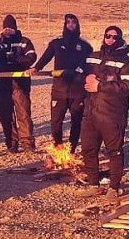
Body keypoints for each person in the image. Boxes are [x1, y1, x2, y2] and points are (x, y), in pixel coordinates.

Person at [76, 26, 129, 199]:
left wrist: (100, 86)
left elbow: (127, 87)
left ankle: (114, 188)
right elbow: (78, 74)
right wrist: (84, 78)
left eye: (114, 37)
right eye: (107, 36)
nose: (110, 39)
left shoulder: (125, 62)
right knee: (88, 149)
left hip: (112, 114)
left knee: (114, 151)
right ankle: (93, 184)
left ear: (120, 39)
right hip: (91, 113)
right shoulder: (92, 57)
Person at [29, 14, 92, 153]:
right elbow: (46, 57)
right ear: (64, 24)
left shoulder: (85, 46)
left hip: (78, 91)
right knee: (56, 122)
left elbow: (91, 63)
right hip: (59, 91)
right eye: (68, 22)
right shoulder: (56, 43)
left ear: (77, 25)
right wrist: (36, 68)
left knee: (76, 122)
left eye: (73, 22)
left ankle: (71, 150)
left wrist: (80, 72)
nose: (70, 24)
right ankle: (58, 148)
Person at [0, 14, 37, 153]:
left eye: (11, 28)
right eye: (6, 28)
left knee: (23, 113)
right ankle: (11, 142)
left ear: (15, 28)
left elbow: (31, 57)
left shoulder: (24, 41)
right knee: (5, 115)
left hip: (20, 84)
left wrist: (17, 59)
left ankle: (27, 143)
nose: (8, 30)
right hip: (3, 85)